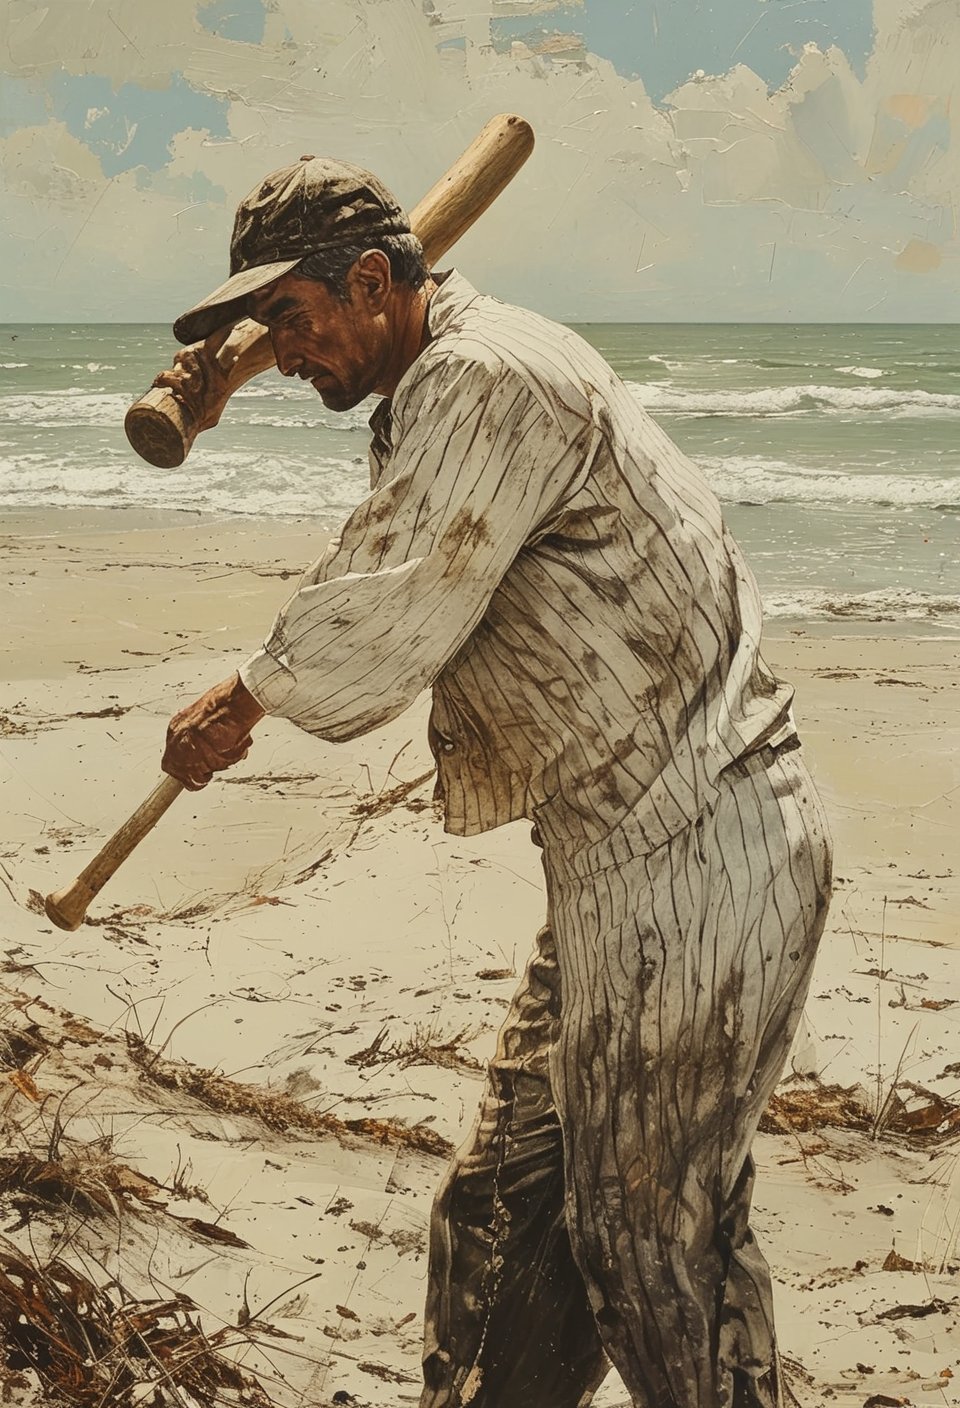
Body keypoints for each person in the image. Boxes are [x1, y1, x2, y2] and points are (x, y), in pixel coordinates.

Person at [158, 155, 832, 1408]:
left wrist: (241, 700)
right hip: (619, 859)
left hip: (703, 847)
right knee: (506, 1216)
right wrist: (262, 345)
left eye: (294, 321)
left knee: (653, 1251)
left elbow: (395, 597)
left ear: (374, 280)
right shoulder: (439, 364)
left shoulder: (485, 375)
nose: (284, 352)